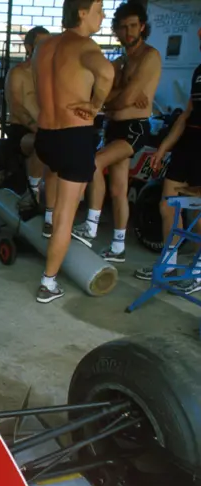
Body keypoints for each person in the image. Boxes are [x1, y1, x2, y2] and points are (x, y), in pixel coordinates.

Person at [32, 0, 114, 303]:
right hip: (73, 135)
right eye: (99, 8)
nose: (103, 15)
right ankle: (48, 283)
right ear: (82, 12)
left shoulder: (43, 47)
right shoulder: (85, 45)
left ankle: (47, 222)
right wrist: (94, 106)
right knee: (67, 216)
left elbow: (37, 83)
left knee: (53, 179)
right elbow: (105, 73)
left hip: (46, 136)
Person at [71, 0, 161, 262]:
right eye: (122, 27)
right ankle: (119, 248)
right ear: (116, 30)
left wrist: (116, 98)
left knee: (95, 163)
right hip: (113, 126)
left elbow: (119, 99)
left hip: (134, 128)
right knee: (118, 190)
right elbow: (101, 95)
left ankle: (90, 226)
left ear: (142, 27)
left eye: (133, 26)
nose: (128, 32)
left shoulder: (149, 56)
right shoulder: (120, 61)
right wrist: (118, 96)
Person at [133, 27, 201, 295]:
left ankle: (198, 271)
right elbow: (186, 116)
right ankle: (169, 263)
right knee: (167, 207)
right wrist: (162, 150)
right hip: (188, 147)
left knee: (198, 213)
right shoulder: (198, 71)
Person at [4, 27, 50, 202]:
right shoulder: (17, 73)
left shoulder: (51, 75)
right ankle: (32, 194)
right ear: (29, 47)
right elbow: (17, 108)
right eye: (42, 44)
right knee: (43, 142)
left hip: (45, 128)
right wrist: (38, 128)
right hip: (21, 129)